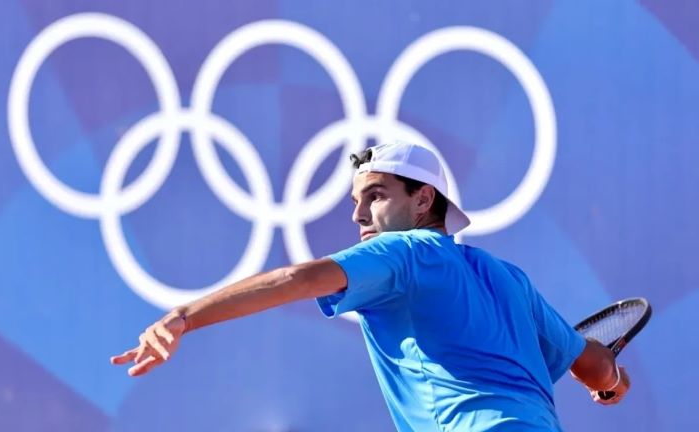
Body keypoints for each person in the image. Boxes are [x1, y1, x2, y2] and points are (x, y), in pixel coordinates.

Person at [111, 141, 630, 431]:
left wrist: (185, 316)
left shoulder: (404, 252)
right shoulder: (508, 277)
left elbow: (296, 278)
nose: (359, 214)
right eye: (357, 200)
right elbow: (595, 364)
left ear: (423, 201)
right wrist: (611, 382)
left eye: (375, 196)